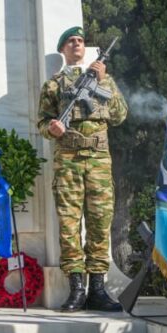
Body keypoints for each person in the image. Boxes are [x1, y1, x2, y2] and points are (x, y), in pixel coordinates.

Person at [37, 26, 128, 312]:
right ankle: (77, 288)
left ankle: (98, 289)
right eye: (71, 41)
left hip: (99, 159)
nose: (76, 44)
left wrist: (104, 81)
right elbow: (42, 123)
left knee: (100, 223)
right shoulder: (54, 84)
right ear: (63, 49)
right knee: (69, 225)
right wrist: (52, 129)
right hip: (69, 159)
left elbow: (120, 116)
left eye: (80, 41)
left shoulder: (105, 80)